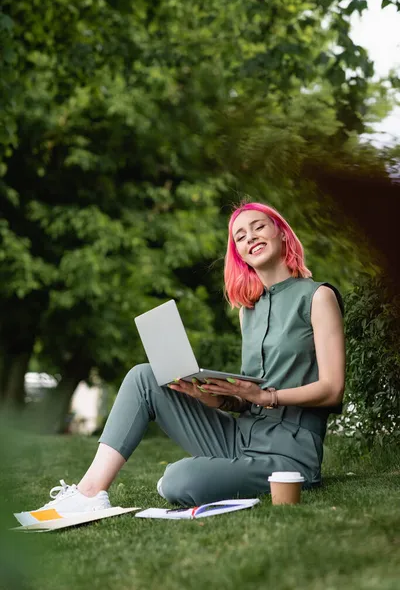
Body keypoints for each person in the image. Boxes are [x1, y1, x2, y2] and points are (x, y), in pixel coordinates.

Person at [28, 201, 345, 513]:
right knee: (145, 376)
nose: (250, 237)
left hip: (288, 457)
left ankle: (202, 474)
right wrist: (213, 396)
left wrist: (265, 396)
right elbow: (245, 401)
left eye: (259, 227)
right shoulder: (248, 311)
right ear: (239, 254)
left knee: (179, 480)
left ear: (283, 235)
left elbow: (332, 391)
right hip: (239, 438)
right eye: (240, 236)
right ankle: (89, 493)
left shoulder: (318, 297)